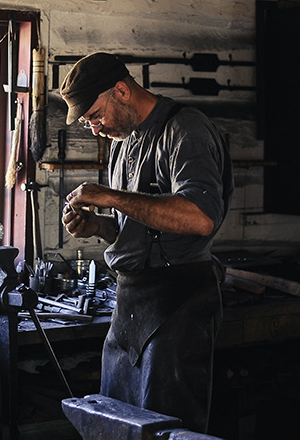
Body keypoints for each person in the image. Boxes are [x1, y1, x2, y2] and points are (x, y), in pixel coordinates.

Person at [59, 52, 234, 433]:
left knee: (164, 428)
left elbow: (199, 217)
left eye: (94, 115)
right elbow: (140, 228)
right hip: (131, 306)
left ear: (121, 90)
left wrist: (112, 196)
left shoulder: (184, 129)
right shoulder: (124, 143)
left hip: (178, 303)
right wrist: (99, 226)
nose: (93, 129)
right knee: (116, 424)